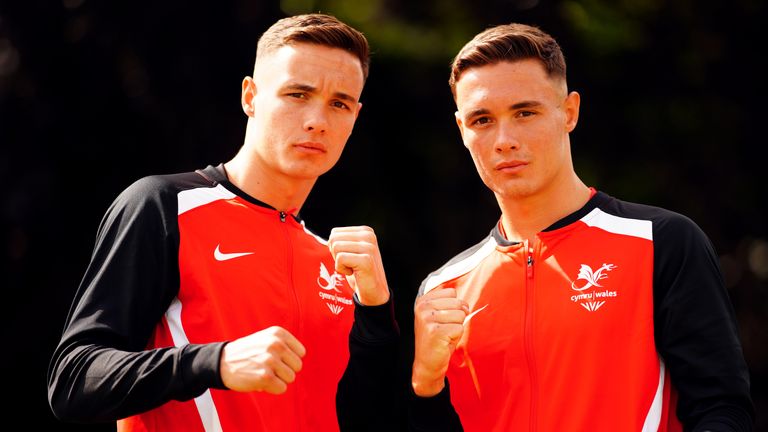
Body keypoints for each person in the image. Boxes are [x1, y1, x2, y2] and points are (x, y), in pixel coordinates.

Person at [47, 13, 400, 432]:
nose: (317, 121)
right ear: (250, 96)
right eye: (297, 94)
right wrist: (213, 361)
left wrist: (378, 316)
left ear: (355, 117)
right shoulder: (164, 206)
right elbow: (72, 380)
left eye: (339, 103)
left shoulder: (335, 264)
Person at [408, 23, 754, 431]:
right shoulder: (443, 289)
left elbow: (722, 409)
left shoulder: (661, 242)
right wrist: (425, 381)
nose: (504, 139)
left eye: (525, 112)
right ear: (462, 129)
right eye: (482, 119)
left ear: (569, 112)